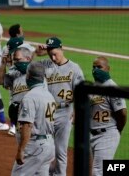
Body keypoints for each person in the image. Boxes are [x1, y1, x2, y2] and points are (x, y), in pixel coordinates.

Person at [38, 37, 84, 176]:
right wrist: (35, 53)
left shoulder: (74, 68)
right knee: (45, 149)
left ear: (61, 48)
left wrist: (77, 110)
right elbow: (26, 68)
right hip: (47, 112)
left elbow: (80, 92)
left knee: (60, 151)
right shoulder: (44, 65)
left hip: (65, 112)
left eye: (55, 53)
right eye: (49, 53)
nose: (52, 57)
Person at [12, 61, 56, 175]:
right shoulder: (49, 95)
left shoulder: (30, 97)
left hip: (35, 147)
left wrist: (21, 150)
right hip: (49, 144)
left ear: (29, 76)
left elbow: (27, 125)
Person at [89, 56, 127, 176]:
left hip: (107, 134)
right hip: (92, 135)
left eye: (99, 67)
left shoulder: (112, 87)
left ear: (108, 68)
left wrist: (117, 130)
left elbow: (122, 113)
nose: (96, 70)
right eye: (94, 67)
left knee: (98, 171)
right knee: (104, 169)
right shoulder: (92, 88)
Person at [0, 47, 33, 136]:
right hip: (17, 113)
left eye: (18, 60)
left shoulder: (37, 71)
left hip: (33, 112)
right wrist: (3, 64)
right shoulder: (13, 71)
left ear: (28, 59)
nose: (15, 63)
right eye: (14, 60)